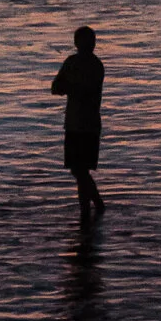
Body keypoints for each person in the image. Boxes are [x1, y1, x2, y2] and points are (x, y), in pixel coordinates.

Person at [48, 25, 106, 220]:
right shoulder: (74, 62)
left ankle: (96, 205)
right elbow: (56, 87)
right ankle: (88, 210)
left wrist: (70, 87)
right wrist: (70, 87)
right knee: (78, 170)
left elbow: (83, 90)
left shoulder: (94, 65)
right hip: (75, 123)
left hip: (86, 124)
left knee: (80, 170)